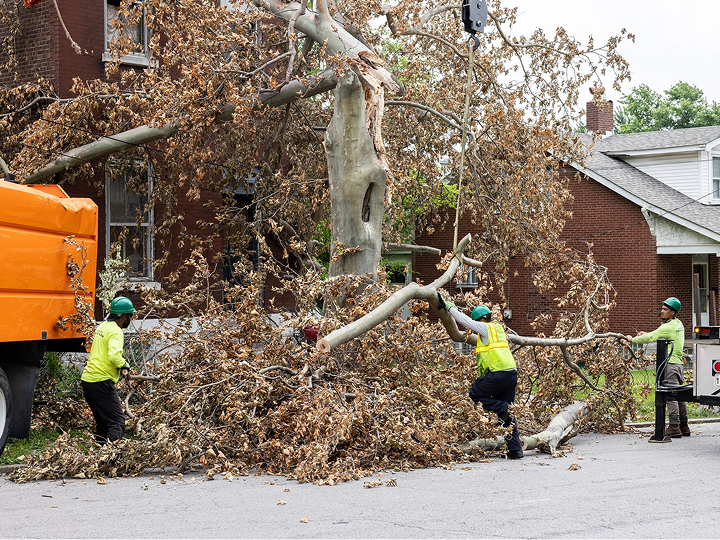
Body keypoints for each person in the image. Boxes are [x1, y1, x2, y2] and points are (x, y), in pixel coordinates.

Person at [437, 293, 523, 459]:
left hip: (499, 374)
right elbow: (485, 362)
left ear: (480, 320)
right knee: (508, 414)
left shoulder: (486, 328)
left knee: (475, 393)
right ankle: (515, 450)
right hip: (511, 374)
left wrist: (449, 307)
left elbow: (465, 321)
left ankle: (502, 408)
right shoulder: (497, 331)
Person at [625, 297, 688, 438]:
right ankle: (684, 426)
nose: (661, 311)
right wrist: (646, 333)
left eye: (665, 309)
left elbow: (652, 337)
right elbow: (657, 333)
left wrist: (632, 339)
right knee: (680, 395)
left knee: (670, 395)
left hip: (670, 365)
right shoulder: (678, 324)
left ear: (673, 312)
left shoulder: (667, 327)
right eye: (662, 308)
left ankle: (673, 427)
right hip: (678, 364)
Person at [81, 296, 137, 444]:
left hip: (88, 381)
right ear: (124, 316)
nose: (130, 320)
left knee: (103, 423)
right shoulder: (116, 331)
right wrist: (125, 365)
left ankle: (98, 458)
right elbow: (113, 356)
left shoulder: (103, 326)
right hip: (101, 381)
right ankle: (110, 460)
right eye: (130, 316)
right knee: (117, 422)